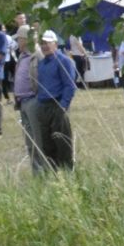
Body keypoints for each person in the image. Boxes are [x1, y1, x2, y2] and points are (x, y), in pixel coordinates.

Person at [33, 30, 78, 170]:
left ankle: (67, 171)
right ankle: (54, 171)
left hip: (57, 103)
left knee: (62, 141)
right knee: (47, 143)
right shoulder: (42, 63)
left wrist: (63, 105)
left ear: (55, 44)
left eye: (47, 43)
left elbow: (70, 85)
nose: (44, 46)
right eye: (42, 43)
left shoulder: (64, 60)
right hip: (43, 104)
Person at [11, 36, 45, 174]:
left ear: (26, 39)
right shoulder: (21, 56)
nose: (17, 42)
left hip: (33, 99)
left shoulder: (38, 55)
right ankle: (37, 172)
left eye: (19, 39)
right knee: (29, 139)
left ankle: (45, 169)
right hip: (22, 101)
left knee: (38, 138)